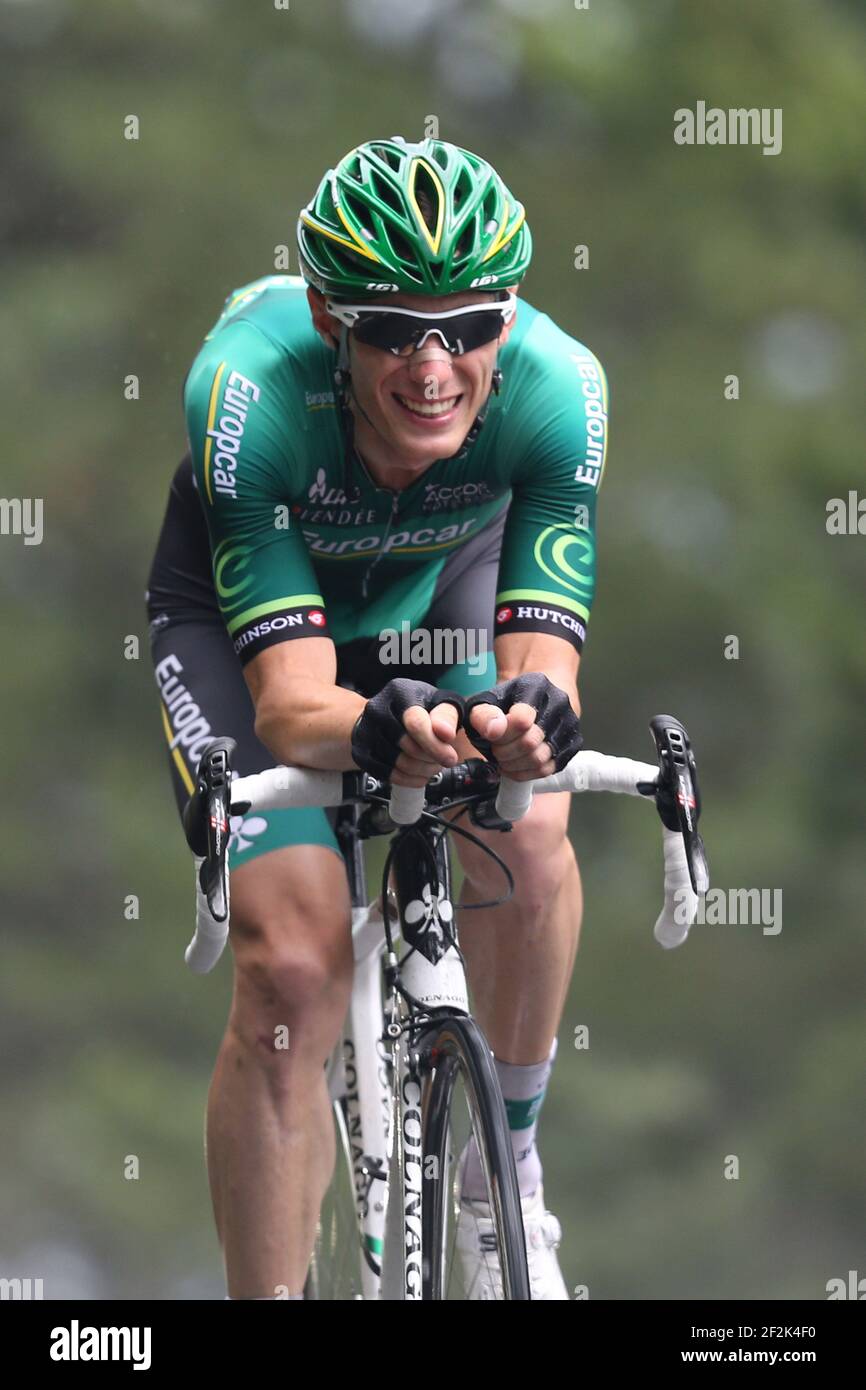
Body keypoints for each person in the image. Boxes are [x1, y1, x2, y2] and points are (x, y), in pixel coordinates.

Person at [145, 135, 608, 1300]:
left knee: (531, 826)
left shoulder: (560, 390)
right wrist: (369, 728)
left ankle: (506, 1180)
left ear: (511, 319)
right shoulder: (246, 393)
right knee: (291, 964)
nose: (436, 364)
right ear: (326, 317)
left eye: (471, 324)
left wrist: (524, 727)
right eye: (393, 328)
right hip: (250, 626)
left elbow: (543, 670)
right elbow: (296, 705)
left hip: (437, 592)